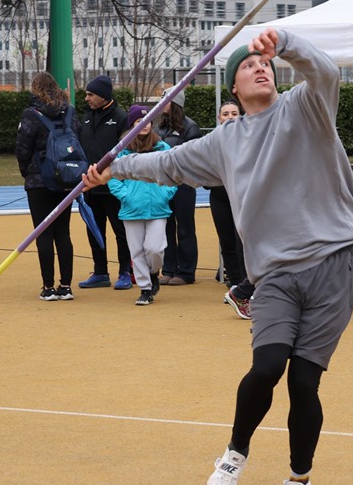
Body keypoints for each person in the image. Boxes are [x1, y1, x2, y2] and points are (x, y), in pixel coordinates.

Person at [83, 28, 353, 485]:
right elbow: (168, 163)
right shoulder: (224, 142)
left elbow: (326, 71)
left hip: (332, 264)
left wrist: (287, 43)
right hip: (274, 274)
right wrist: (114, 168)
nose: (261, 69)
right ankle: (234, 455)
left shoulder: (306, 107)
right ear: (233, 86)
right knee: (267, 366)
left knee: (304, 382)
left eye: (265, 64)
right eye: (249, 66)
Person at [15, 72, 79, 301]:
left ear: (35, 89)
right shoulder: (69, 112)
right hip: (65, 178)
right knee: (63, 232)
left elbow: (22, 148)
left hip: (39, 179)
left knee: (43, 232)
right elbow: (78, 140)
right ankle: (66, 285)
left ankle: (48, 287)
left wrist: (27, 172)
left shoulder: (31, 114)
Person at [108, 105, 177, 306]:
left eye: (147, 121)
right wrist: (126, 195)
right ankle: (145, 289)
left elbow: (173, 174)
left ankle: (154, 272)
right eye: (139, 121)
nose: (144, 125)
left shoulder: (162, 148)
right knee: (136, 251)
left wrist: (165, 194)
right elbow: (112, 176)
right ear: (132, 124)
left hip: (158, 207)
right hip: (132, 208)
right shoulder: (122, 150)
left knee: (155, 249)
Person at [77, 75, 133, 290]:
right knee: (94, 230)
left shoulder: (121, 117)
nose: (87, 98)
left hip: (113, 186)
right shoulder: (86, 117)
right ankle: (100, 272)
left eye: (90, 94)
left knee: (121, 231)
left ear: (103, 95)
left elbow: (126, 151)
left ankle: (125, 272)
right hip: (90, 186)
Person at [207, 100, 254, 319]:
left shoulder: (250, 138)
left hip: (243, 197)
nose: (230, 117)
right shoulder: (212, 142)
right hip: (220, 196)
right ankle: (235, 283)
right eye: (225, 114)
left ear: (241, 116)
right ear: (219, 118)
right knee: (226, 241)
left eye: (234, 113)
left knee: (242, 241)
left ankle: (247, 285)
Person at [156, 88, 202, 286]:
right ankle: (169, 268)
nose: (161, 103)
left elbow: (194, 158)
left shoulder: (190, 128)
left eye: (165, 99)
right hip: (164, 185)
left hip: (183, 185)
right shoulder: (160, 128)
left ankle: (186, 271)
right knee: (166, 227)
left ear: (176, 103)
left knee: (185, 227)